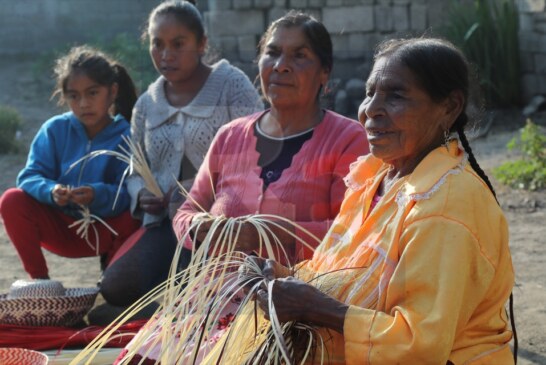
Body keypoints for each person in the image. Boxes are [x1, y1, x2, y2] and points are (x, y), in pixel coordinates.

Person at [206, 37, 516, 364]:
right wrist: (283, 279)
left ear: (449, 107)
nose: (370, 110)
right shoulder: (377, 177)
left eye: (396, 96)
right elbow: (339, 269)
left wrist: (316, 308)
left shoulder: (446, 203)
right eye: (370, 93)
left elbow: (420, 345)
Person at [110, 11, 369, 364]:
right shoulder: (230, 136)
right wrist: (200, 230)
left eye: (299, 55)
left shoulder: (348, 140)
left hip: (298, 302)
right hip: (216, 294)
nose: (281, 65)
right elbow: (188, 208)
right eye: (272, 53)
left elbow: (357, 233)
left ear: (325, 73)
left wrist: (273, 234)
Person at [98, 0, 263, 310]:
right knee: (114, 287)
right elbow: (136, 168)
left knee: (196, 291)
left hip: (224, 221)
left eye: (178, 44)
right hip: (167, 225)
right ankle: (181, 301)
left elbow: (258, 152)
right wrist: (143, 193)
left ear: (202, 43)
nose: (166, 54)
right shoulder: (147, 104)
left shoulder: (231, 85)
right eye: (157, 44)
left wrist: (198, 189)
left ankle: (196, 298)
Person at [0, 45, 140, 281]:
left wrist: (96, 194)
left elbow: (128, 191)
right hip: (60, 226)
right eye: (74, 95)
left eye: (92, 93)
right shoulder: (54, 130)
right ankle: (40, 281)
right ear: (64, 97)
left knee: (137, 213)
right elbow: (29, 176)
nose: (83, 103)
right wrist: (52, 191)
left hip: (103, 229)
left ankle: (112, 282)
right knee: (11, 200)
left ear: (112, 91)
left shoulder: (127, 135)